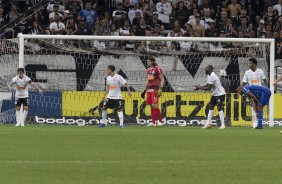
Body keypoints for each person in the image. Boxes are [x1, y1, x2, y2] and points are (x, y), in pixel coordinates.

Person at [242, 58, 268, 128]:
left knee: (259, 106)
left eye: (250, 63)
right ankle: (254, 123)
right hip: (251, 91)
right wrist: (241, 90)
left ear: (255, 64)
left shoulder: (260, 71)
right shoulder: (247, 72)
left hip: (260, 91)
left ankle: (259, 123)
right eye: (249, 63)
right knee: (253, 105)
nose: (249, 65)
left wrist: (266, 89)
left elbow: (265, 80)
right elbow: (244, 82)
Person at [141, 56, 164, 126]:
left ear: (152, 62)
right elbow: (148, 80)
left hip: (155, 89)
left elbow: (162, 79)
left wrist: (161, 88)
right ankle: (154, 123)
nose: (147, 62)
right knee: (151, 106)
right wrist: (144, 90)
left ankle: (160, 121)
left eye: (148, 61)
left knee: (154, 105)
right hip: (149, 89)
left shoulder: (158, 69)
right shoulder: (148, 70)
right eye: (147, 61)